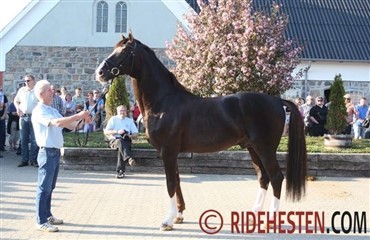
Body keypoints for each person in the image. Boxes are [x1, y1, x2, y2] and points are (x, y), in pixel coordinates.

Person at [32, 79, 91, 232]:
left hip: (55, 152)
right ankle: (40, 221)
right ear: (41, 94)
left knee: (50, 187)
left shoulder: (52, 109)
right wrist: (78, 116)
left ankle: (48, 215)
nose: (52, 92)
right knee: (43, 188)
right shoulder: (39, 111)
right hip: (46, 152)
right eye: (49, 90)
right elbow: (58, 123)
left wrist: (84, 121)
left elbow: (70, 126)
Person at [104, 105, 138, 178]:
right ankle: (129, 158)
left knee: (121, 149)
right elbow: (106, 132)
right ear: (117, 112)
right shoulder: (113, 119)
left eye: (124, 111)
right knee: (119, 141)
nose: (122, 112)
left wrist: (129, 136)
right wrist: (117, 131)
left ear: (126, 112)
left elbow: (136, 134)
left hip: (126, 140)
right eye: (120, 111)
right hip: (114, 140)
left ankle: (120, 172)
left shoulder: (129, 121)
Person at [14, 75, 39, 167]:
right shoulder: (22, 90)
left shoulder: (37, 91)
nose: (26, 82)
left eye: (28, 80)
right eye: (25, 81)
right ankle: (24, 160)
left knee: (34, 140)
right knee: (23, 139)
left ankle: (33, 160)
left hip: (34, 117)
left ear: (33, 81)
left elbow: (41, 102)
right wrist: (18, 108)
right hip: (23, 117)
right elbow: (16, 101)